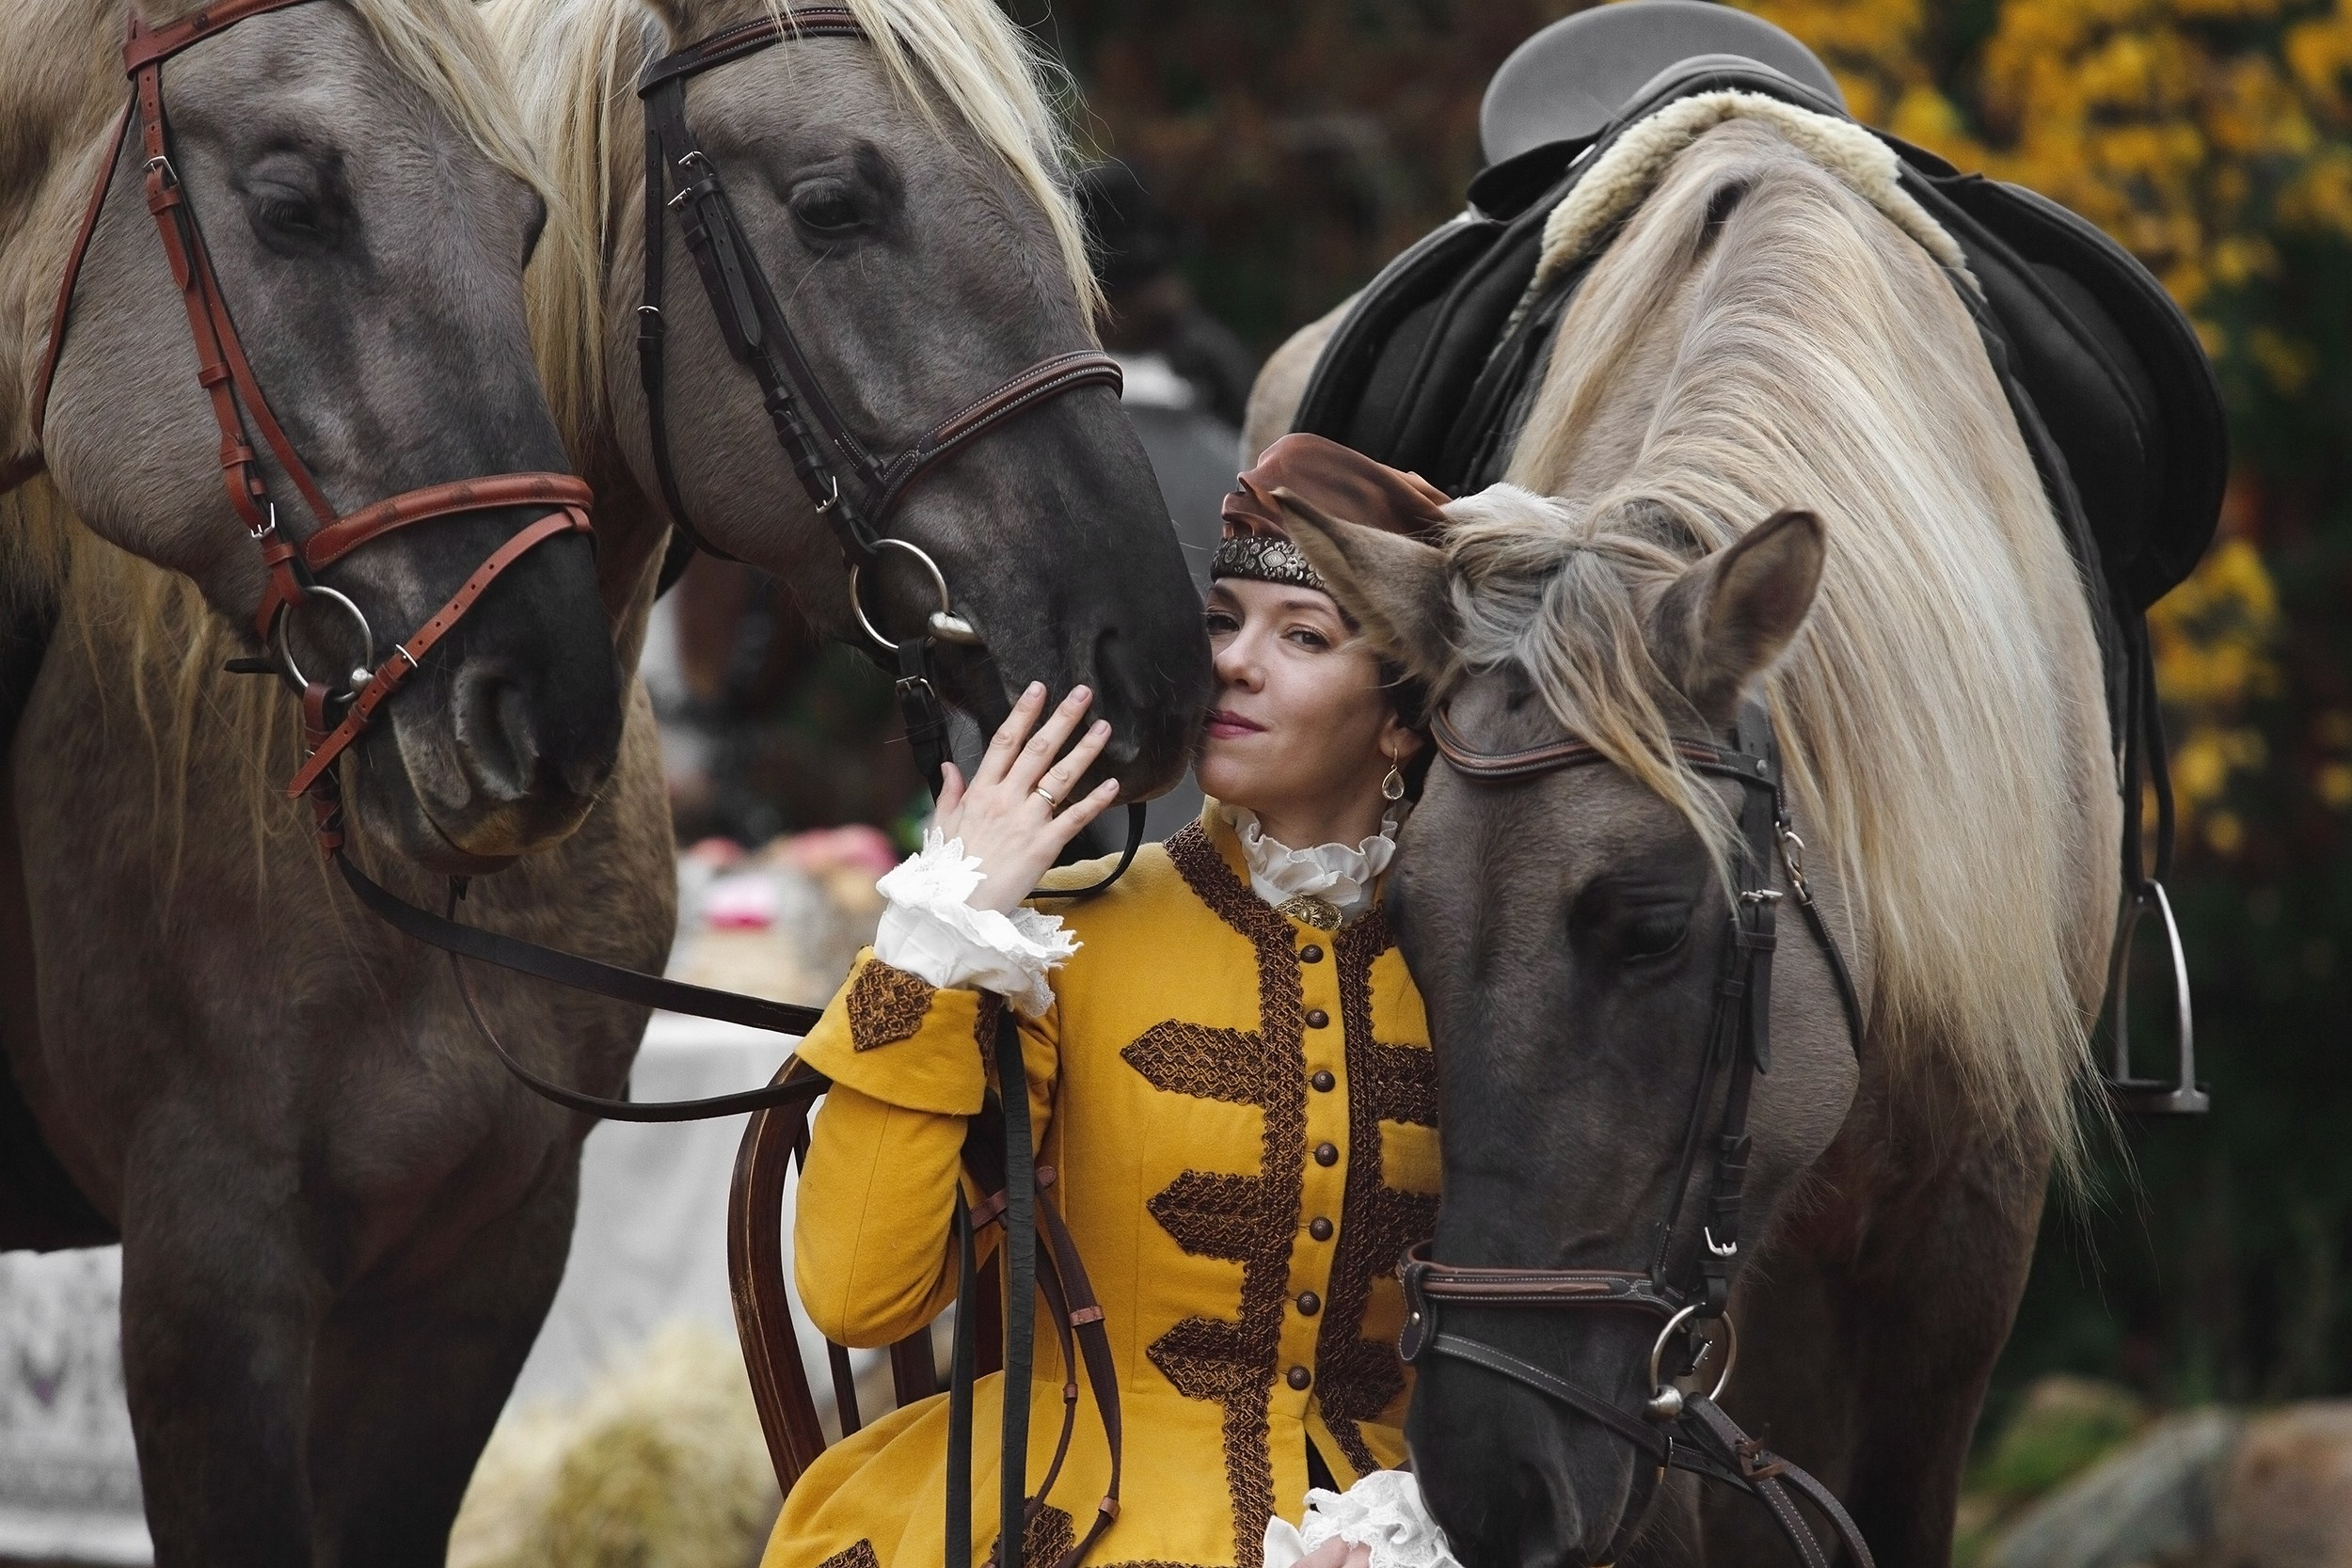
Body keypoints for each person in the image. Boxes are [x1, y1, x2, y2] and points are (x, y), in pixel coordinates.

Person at [761, 435, 1453, 1568]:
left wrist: (1419, 1521)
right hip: (1071, 1500)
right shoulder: (1059, 933)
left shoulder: (1471, 977)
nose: (1231, 662)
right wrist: (941, 938)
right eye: (1222, 619)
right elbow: (852, 1294)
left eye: (1304, 635)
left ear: (1402, 721)